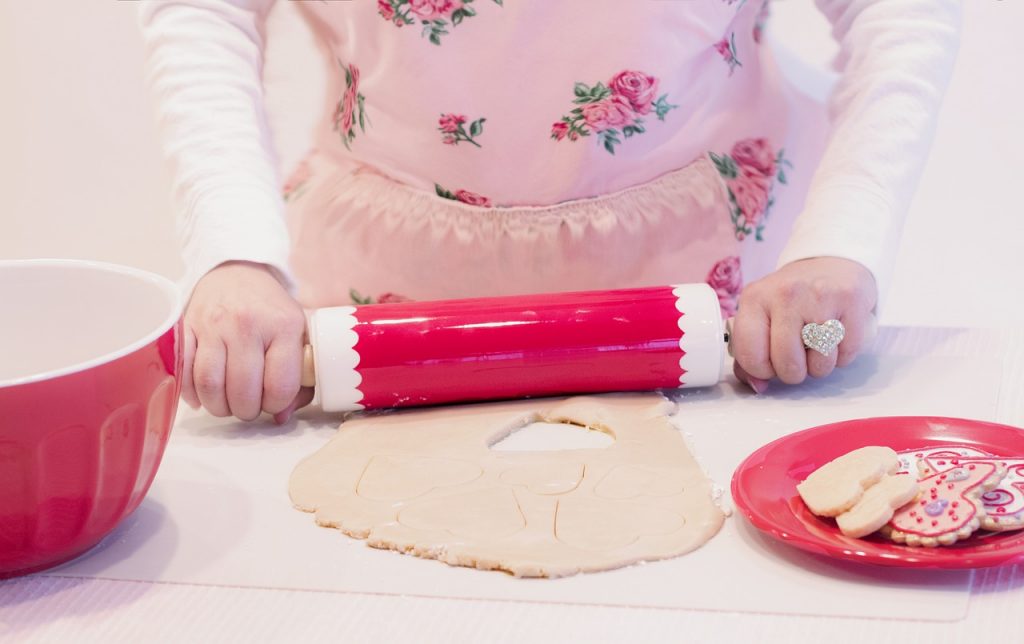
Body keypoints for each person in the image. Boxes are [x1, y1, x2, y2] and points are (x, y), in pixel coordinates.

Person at [139, 0, 961, 423]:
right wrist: (232, 253)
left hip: (724, 292)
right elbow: (204, 12)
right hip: (375, 304)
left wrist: (844, 242)